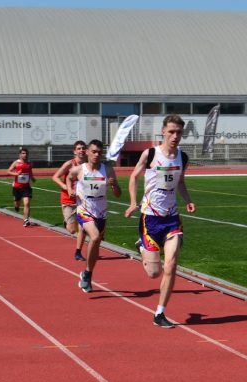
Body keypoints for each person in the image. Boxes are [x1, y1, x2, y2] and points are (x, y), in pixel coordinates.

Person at [125, 114, 195, 328]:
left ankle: (160, 312)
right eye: (171, 131)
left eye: (179, 132)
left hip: (172, 218)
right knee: (154, 273)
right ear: (163, 131)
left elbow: (180, 182)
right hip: (150, 218)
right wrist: (133, 202)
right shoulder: (151, 154)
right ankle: (141, 245)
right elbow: (133, 177)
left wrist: (188, 200)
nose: (175, 136)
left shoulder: (182, 157)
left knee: (171, 264)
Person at [66, 139, 121, 293]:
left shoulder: (107, 170)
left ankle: (87, 273)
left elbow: (118, 194)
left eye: (99, 152)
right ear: (88, 152)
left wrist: (114, 185)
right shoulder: (79, 169)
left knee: (96, 247)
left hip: (101, 213)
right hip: (84, 210)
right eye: (94, 151)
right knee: (95, 237)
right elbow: (69, 177)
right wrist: (70, 189)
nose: (96, 155)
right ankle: (88, 274)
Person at [52, 140, 87, 261]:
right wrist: (64, 186)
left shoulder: (88, 165)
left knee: (83, 227)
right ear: (74, 151)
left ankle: (78, 252)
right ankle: (67, 222)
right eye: (79, 148)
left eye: (83, 148)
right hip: (68, 199)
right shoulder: (69, 164)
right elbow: (55, 177)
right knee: (72, 230)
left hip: (83, 200)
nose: (81, 150)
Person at [7, 148, 35, 227]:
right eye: (23, 153)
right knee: (17, 204)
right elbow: (8, 171)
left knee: (27, 203)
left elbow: (30, 172)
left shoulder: (29, 163)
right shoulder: (16, 163)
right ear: (19, 155)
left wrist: (32, 178)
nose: (25, 155)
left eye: (26, 153)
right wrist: (16, 174)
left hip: (26, 187)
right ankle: (16, 206)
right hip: (17, 187)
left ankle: (26, 220)